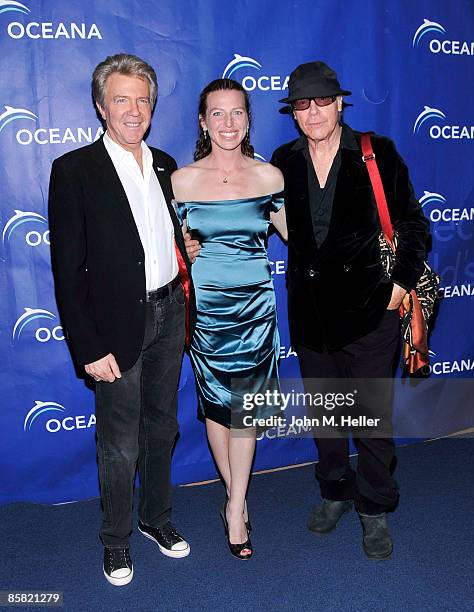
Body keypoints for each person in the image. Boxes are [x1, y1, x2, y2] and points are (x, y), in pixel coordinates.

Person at [271, 61, 429, 559]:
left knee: (370, 419)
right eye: (302, 103)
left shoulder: (375, 153)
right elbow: (278, 223)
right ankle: (335, 491)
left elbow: (414, 225)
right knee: (326, 417)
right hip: (312, 316)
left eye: (322, 100)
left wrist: (399, 287)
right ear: (294, 113)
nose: (313, 111)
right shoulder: (284, 160)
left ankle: (375, 505)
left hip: (370, 314)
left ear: (340, 103)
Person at [48, 54, 195, 586]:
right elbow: (68, 270)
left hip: (170, 312)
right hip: (114, 328)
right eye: (121, 99)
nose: (134, 110)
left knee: (163, 428)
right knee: (119, 442)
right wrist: (87, 345)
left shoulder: (165, 165)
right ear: (100, 107)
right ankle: (115, 541)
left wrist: (186, 254)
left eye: (142, 100)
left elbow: (166, 239)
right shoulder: (74, 170)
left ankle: (157, 521)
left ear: (152, 107)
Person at [171, 78, 287, 560]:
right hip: (205, 313)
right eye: (217, 114)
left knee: (245, 411)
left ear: (248, 119)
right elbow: (165, 251)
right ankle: (233, 497)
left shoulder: (269, 177)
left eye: (237, 112)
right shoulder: (180, 181)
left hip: (255, 310)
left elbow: (305, 238)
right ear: (202, 121)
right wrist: (184, 248)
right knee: (219, 408)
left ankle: (236, 506)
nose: (227, 123)